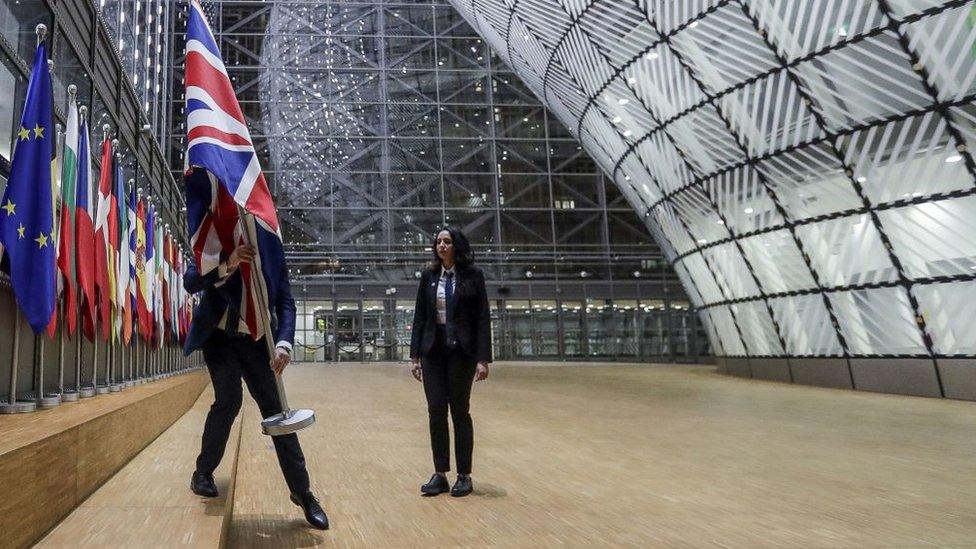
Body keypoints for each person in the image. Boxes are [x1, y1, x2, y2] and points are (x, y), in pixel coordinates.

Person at [183, 243, 328, 530]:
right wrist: (229, 261)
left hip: (256, 341)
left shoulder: (272, 250)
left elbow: (286, 302)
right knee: (228, 401)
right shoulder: (216, 242)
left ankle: (303, 493)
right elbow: (190, 281)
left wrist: (284, 342)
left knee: (277, 411)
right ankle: (203, 472)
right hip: (220, 338)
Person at [409, 227, 492, 497]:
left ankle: (464, 475)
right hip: (433, 352)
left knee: (459, 412)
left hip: (461, 354)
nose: (441, 245)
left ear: (457, 246)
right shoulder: (429, 276)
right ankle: (440, 474)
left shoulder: (473, 276)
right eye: (438, 242)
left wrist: (482, 359)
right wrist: (415, 356)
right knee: (435, 410)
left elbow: (482, 318)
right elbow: (420, 317)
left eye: (447, 241)